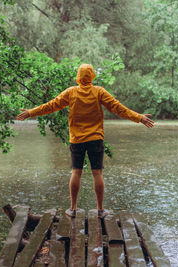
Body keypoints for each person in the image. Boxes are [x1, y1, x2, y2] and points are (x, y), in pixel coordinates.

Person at [17, 64, 154, 218]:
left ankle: (73, 209)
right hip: (95, 139)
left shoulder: (71, 92)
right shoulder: (99, 92)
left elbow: (51, 106)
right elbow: (118, 108)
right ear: (92, 76)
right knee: (97, 173)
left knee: (76, 172)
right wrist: (139, 117)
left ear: (78, 77)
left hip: (76, 140)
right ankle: (100, 210)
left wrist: (31, 112)